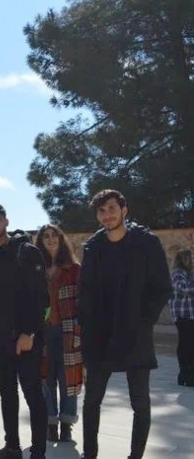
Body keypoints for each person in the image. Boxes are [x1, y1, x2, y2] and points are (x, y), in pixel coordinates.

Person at [78, 190, 172, 459]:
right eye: (101, 211)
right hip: (100, 337)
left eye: (111, 208)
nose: (107, 215)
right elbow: (85, 292)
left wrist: (144, 321)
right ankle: (90, 454)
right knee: (92, 401)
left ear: (124, 210)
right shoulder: (92, 247)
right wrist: (86, 326)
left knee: (140, 402)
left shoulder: (146, 243)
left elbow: (161, 288)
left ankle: (135, 456)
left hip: (135, 334)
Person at [0, 203, 48, 459]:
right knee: (6, 394)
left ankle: (38, 451)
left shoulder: (26, 252)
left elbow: (41, 297)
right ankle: (12, 447)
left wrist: (29, 333)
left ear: (6, 221)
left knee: (33, 395)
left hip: (24, 339)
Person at [36, 224, 82, 442]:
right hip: (44, 331)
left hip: (67, 331)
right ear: (41, 241)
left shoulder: (73, 269)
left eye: (55, 235)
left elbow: (83, 304)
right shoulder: (37, 270)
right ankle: (50, 423)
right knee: (45, 378)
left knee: (68, 379)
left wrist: (79, 331)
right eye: (46, 236)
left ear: (61, 239)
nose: (51, 239)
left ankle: (66, 424)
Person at [170, 249, 194, 386]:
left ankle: (187, 373)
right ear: (184, 259)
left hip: (190, 314)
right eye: (191, 258)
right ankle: (185, 372)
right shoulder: (178, 273)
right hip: (183, 314)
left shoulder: (188, 274)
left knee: (190, 343)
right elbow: (184, 289)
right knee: (186, 344)